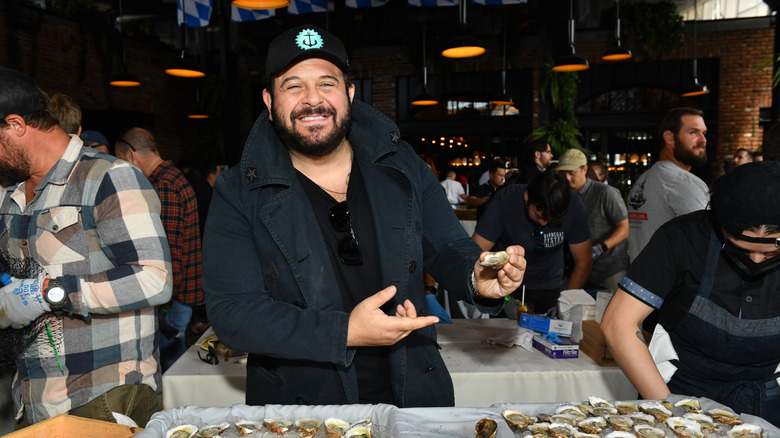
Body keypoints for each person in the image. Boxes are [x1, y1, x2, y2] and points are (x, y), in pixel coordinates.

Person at [201, 24, 526, 408]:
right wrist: (344, 331)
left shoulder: (401, 164)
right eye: (293, 86)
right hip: (305, 409)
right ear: (270, 102)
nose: (312, 100)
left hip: (413, 400)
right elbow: (233, 314)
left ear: (349, 94)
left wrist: (477, 278)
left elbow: (446, 245)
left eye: (327, 83)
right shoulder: (239, 191)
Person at [0, 68, 172, 427]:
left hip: (103, 396)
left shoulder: (109, 178)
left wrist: (48, 293)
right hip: (34, 395)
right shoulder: (11, 194)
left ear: (15, 125)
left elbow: (154, 279)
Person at [601, 161, 780, 427]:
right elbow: (618, 324)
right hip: (680, 396)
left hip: (766, 404)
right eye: (741, 250)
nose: (755, 260)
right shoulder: (682, 238)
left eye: (770, 254)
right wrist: (671, 416)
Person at [114, 127, 203, 372]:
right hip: (177, 296)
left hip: (172, 298)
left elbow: (171, 251)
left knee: (168, 372)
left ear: (131, 155)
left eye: (122, 161)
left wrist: (163, 303)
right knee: (172, 369)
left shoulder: (163, 185)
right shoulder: (170, 178)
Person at [473, 170, 591, 315]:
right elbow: (476, 253)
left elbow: (583, 261)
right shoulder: (505, 200)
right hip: (507, 286)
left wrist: (566, 305)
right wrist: (498, 295)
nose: (543, 223)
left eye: (551, 219)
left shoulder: (574, 204)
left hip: (550, 286)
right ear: (527, 196)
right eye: (539, 215)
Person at [626, 107, 709, 263]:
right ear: (670, 138)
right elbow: (706, 244)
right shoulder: (684, 183)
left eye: (703, 133)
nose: (703, 140)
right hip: (673, 285)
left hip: (641, 283)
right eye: (693, 132)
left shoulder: (643, 180)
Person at [557, 149, 628, 293]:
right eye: (563, 173)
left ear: (585, 169)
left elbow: (625, 227)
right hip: (579, 269)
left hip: (610, 269)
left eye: (572, 173)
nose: (567, 178)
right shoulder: (564, 196)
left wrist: (601, 247)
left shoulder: (606, 192)